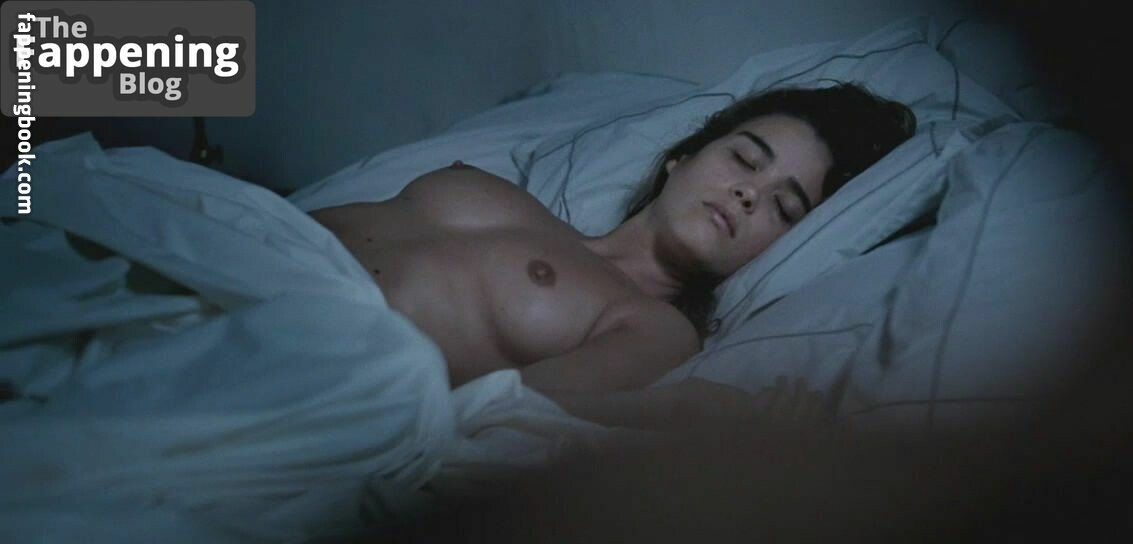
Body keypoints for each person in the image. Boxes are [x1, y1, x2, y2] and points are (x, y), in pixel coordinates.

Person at [310, 83, 915, 428]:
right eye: (745, 159)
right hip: (268, 242)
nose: (748, 193)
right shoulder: (514, 198)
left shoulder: (654, 327)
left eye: (783, 207)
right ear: (682, 158)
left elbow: (498, 413)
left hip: (314, 358)